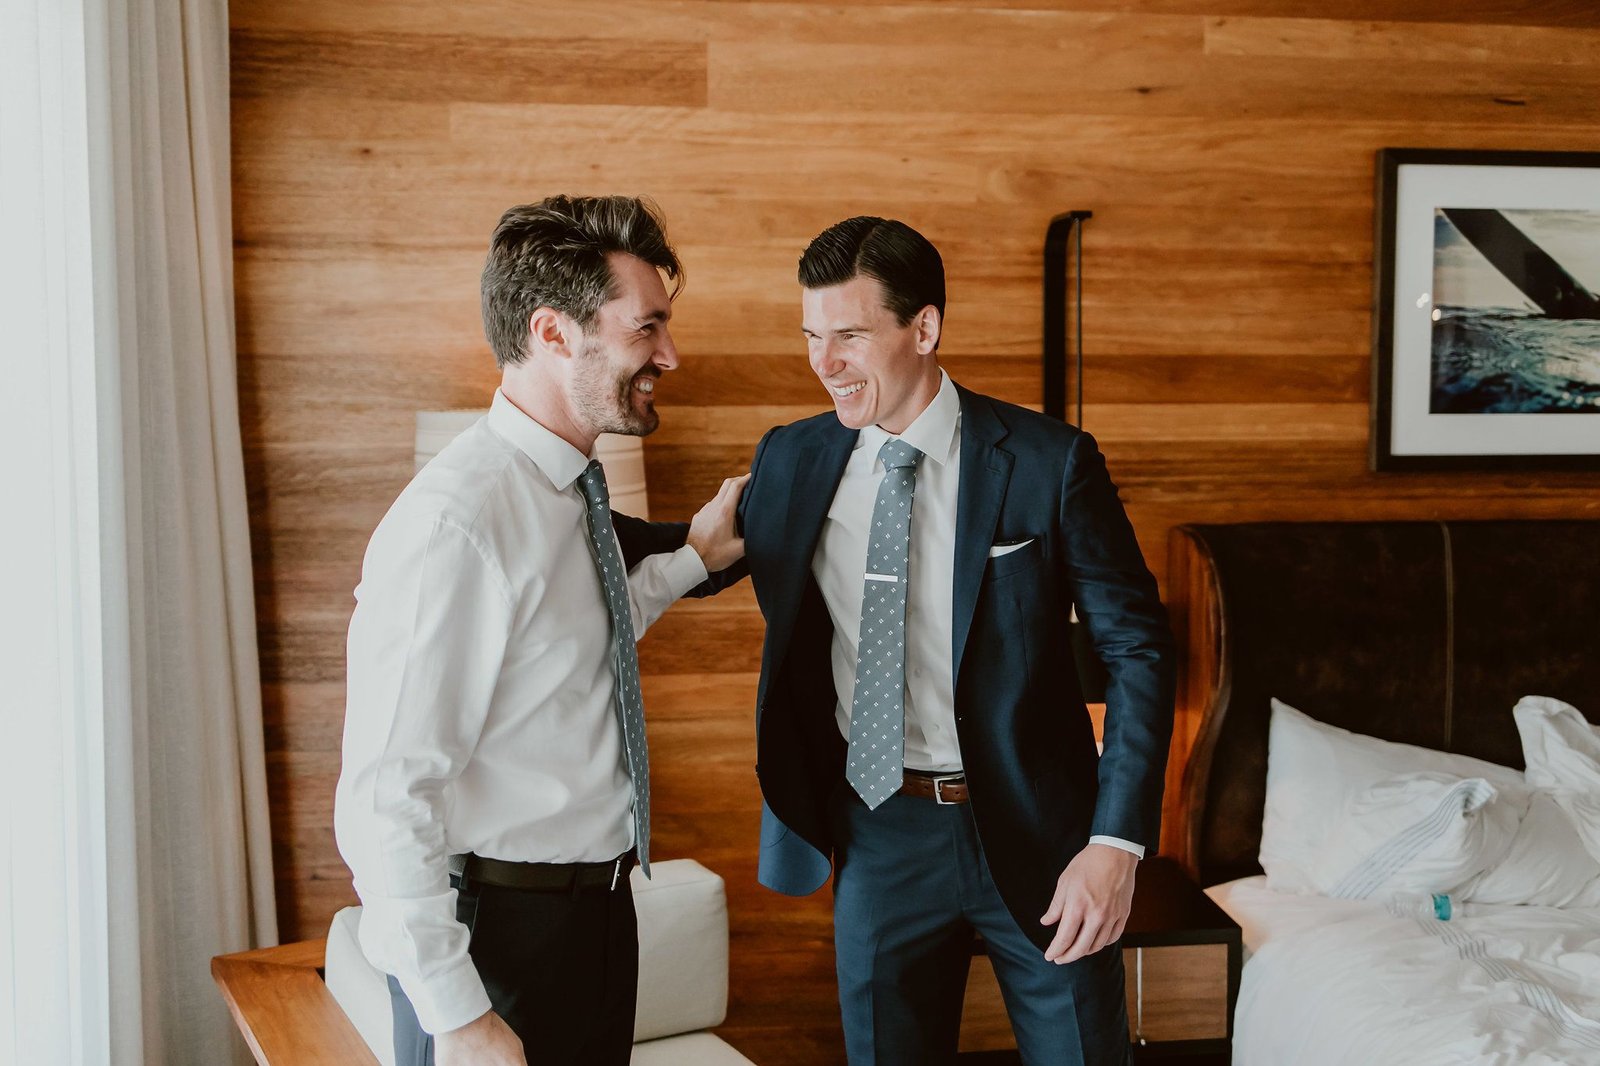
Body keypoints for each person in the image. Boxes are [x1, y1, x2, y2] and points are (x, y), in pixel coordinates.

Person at [734, 217, 1176, 1064]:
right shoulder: (790, 460)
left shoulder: (1050, 462)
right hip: (879, 829)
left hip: (1045, 834)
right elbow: (697, 552)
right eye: (812, 337)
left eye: (851, 337)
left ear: (924, 328)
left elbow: (1138, 652)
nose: (825, 364)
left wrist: (1115, 845)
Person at [333, 195, 747, 1066]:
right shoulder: (460, 522)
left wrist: (693, 560)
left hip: (595, 924)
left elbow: (567, 649)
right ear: (555, 334)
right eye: (647, 329)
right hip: (498, 948)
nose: (670, 355)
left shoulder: (568, 493)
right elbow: (386, 798)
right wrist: (459, 1016)